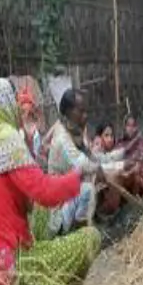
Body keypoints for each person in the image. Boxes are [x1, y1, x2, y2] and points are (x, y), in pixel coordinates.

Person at [0, 79, 103, 285]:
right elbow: (44, 191)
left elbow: (27, 185)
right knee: (91, 237)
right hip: (11, 257)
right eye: (15, 102)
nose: (21, 110)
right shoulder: (8, 140)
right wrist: (77, 177)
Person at [44, 89, 98, 235]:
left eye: (86, 111)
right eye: (81, 111)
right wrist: (102, 169)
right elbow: (83, 164)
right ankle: (75, 235)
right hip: (58, 211)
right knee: (87, 189)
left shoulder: (75, 133)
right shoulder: (62, 139)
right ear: (68, 112)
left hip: (69, 197)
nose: (85, 116)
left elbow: (91, 156)